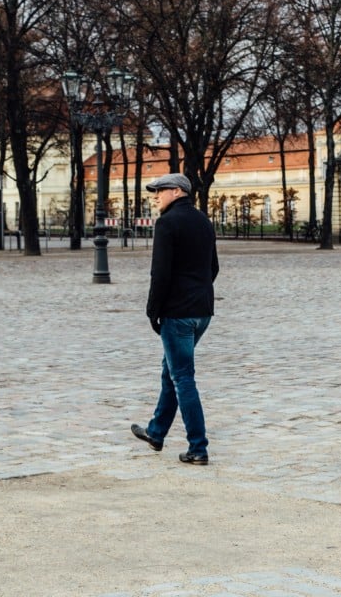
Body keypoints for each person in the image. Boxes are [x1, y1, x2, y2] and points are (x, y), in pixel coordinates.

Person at [130, 172, 219, 465]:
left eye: (160, 190)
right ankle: (156, 432)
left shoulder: (167, 223)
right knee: (172, 370)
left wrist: (153, 310)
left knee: (182, 377)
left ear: (178, 191)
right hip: (202, 311)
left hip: (177, 313)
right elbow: (213, 267)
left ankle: (198, 447)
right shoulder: (204, 221)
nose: (156, 195)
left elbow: (160, 274)